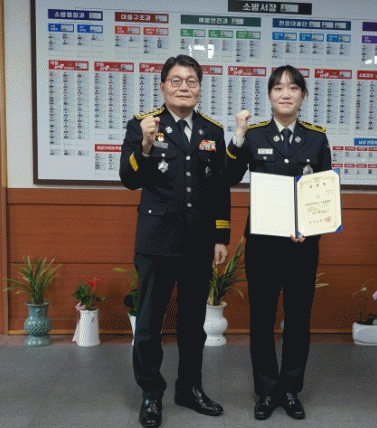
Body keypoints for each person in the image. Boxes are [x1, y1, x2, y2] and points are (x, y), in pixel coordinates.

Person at [120, 54, 230, 428]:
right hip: (157, 240)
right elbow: (129, 179)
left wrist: (221, 235)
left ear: (200, 87)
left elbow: (219, 188)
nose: (184, 87)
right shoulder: (143, 124)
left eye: (191, 81)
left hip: (198, 241)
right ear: (163, 86)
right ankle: (151, 393)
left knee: (193, 323)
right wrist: (146, 145)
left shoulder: (212, 131)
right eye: (176, 81)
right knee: (149, 323)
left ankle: (189, 388)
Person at [224, 65, 332, 420]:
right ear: (269, 95)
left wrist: (310, 229)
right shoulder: (254, 135)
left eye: (293, 87)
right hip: (263, 245)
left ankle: (290, 389)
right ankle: (267, 390)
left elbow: (322, 193)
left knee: (298, 318)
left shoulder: (317, 138)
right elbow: (229, 175)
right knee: (261, 318)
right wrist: (238, 134)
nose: (286, 93)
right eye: (278, 87)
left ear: (303, 95)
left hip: (302, 245)